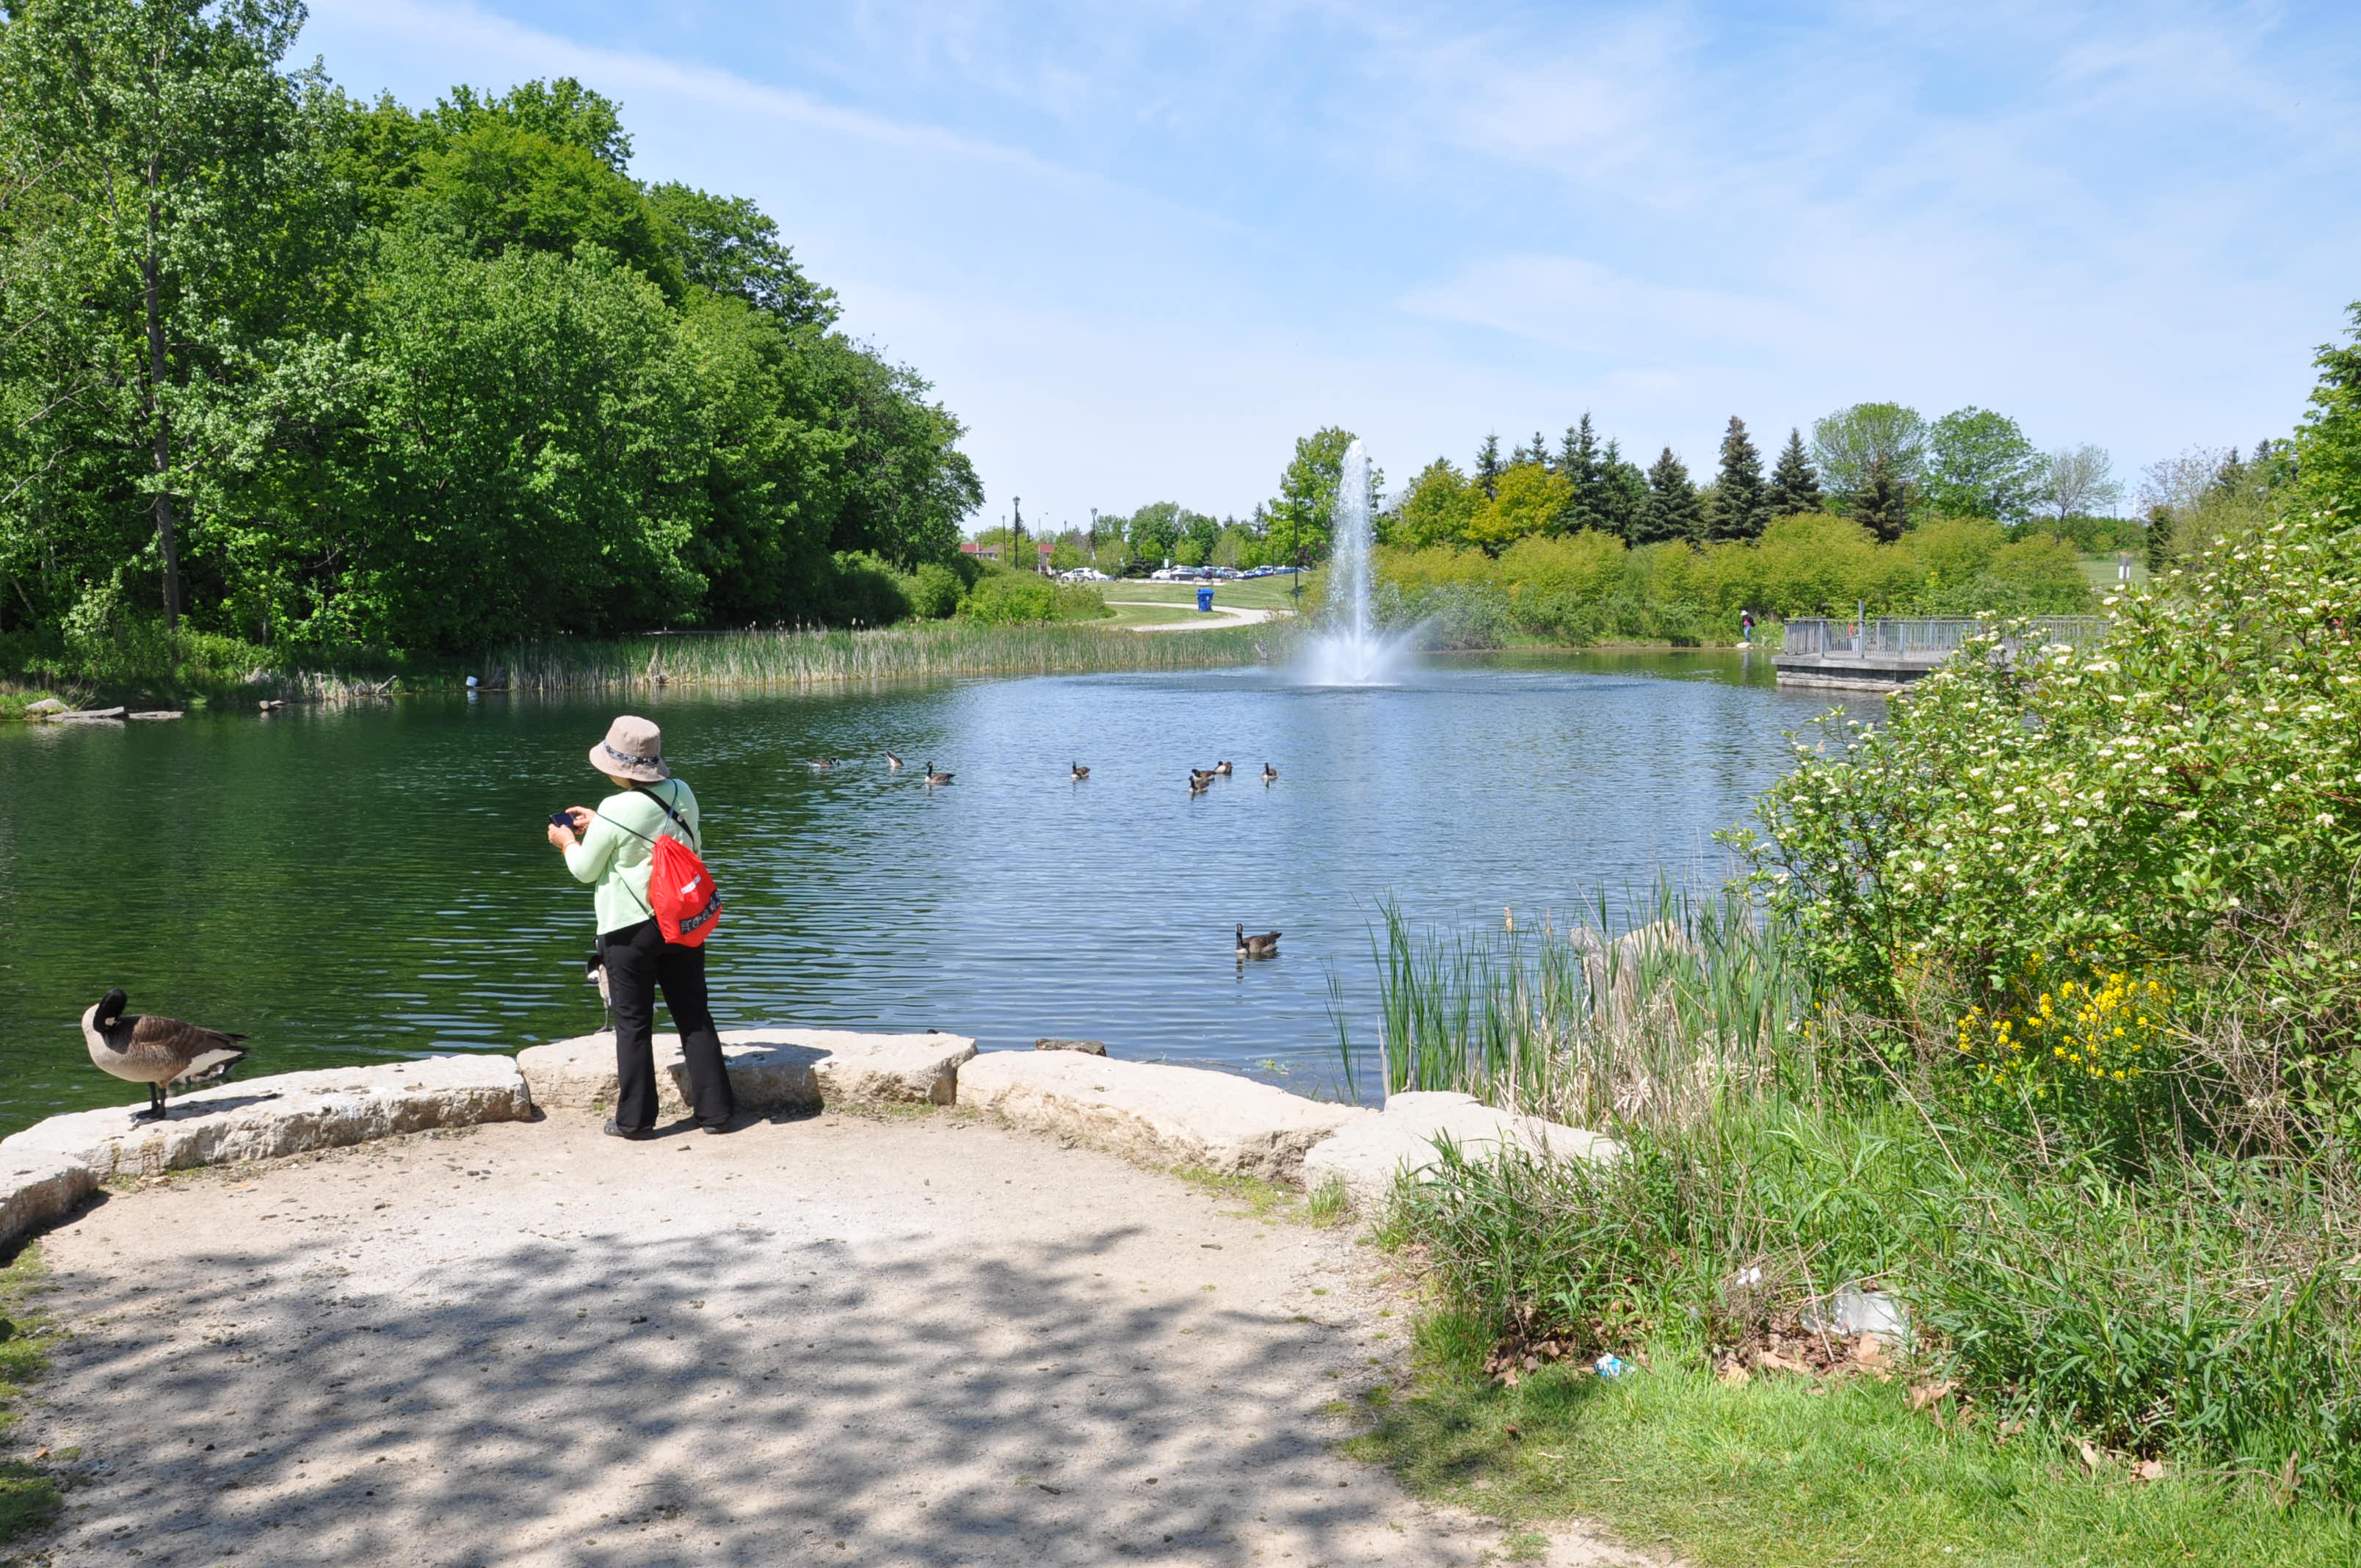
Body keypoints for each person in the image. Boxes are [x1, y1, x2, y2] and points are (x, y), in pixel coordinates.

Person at [548, 715, 737, 1139]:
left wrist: (568, 842)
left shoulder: (615, 809)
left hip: (629, 930)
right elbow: (685, 841)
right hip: (681, 921)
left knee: (633, 1025)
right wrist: (601, 822)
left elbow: (584, 870)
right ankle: (717, 1114)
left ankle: (634, 1121)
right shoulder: (682, 791)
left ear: (617, 767)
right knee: (694, 1016)